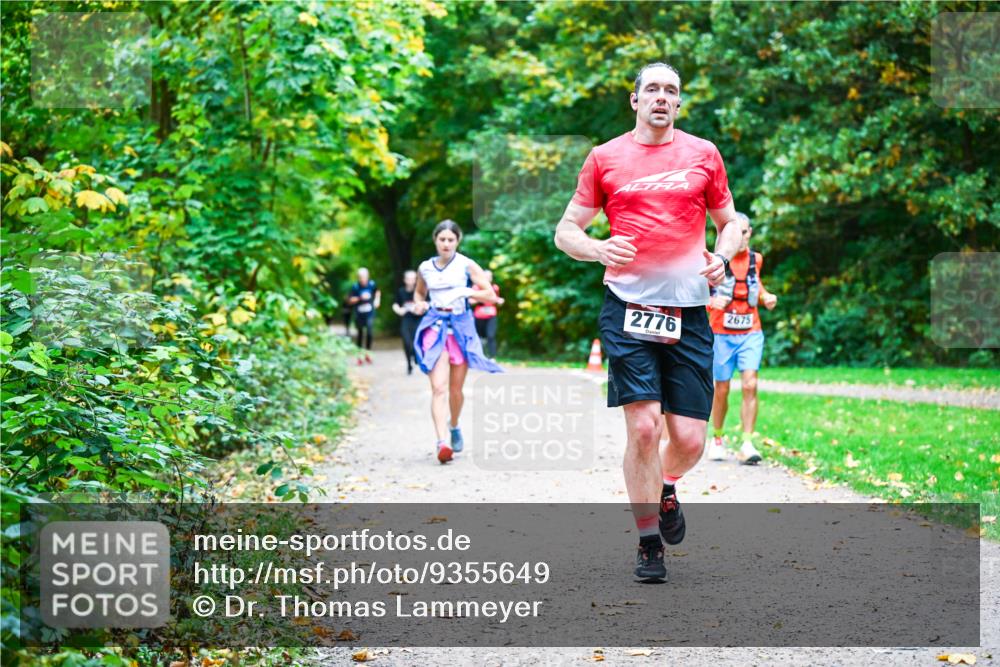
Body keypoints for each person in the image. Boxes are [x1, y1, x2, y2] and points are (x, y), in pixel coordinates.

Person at [554, 62, 743, 582]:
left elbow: (731, 224)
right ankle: (647, 544)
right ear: (634, 99)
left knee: (687, 439)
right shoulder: (605, 158)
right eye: (653, 89)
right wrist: (595, 248)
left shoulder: (703, 155)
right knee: (643, 427)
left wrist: (723, 258)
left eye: (672, 91)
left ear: (679, 103)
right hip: (628, 307)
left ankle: (666, 486)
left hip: (687, 311)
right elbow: (566, 229)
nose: (662, 97)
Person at [413, 220, 502, 464]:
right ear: (435, 240)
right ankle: (442, 442)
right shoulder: (425, 268)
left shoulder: (467, 264)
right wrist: (419, 302)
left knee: (455, 390)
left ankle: (454, 425)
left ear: (457, 241)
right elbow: (419, 293)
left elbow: (490, 295)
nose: (446, 244)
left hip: (460, 327)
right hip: (435, 325)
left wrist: (465, 292)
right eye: (442, 239)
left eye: (451, 239)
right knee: (438, 388)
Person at [705, 212, 778, 464]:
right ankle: (717, 438)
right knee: (721, 389)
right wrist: (713, 302)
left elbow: (754, 285)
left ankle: (747, 443)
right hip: (721, 334)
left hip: (750, 331)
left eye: (746, 232)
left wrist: (766, 296)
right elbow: (695, 295)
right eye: (738, 232)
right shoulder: (714, 261)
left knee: (750, 384)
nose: (743, 237)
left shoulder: (755, 260)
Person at [347, 268, 380, 364]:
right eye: (361, 277)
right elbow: (350, 300)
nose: (363, 279)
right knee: (360, 334)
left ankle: (368, 353)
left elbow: (377, 291)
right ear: (358, 277)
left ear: (368, 276)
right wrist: (360, 298)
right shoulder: (355, 287)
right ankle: (359, 356)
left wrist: (377, 300)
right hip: (359, 313)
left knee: (369, 332)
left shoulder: (372, 284)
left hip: (369, 312)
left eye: (364, 277)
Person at [392, 270, 421, 375]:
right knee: (406, 342)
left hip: (417, 320)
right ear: (405, 280)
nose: (411, 281)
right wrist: (399, 311)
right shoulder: (401, 292)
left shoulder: (419, 291)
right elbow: (395, 304)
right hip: (406, 320)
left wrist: (419, 309)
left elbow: (426, 304)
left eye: (413, 278)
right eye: (409, 278)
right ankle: (409, 364)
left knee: (416, 341)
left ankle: (416, 356)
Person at [469, 270, 503, 359]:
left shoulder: (495, 287)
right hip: (479, 316)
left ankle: (492, 357)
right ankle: (478, 356)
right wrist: (484, 300)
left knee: (491, 336)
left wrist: (498, 300)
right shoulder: (476, 287)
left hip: (491, 315)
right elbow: (471, 301)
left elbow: (496, 299)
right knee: (478, 337)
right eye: (486, 276)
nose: (488, 279)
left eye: (490, 277)